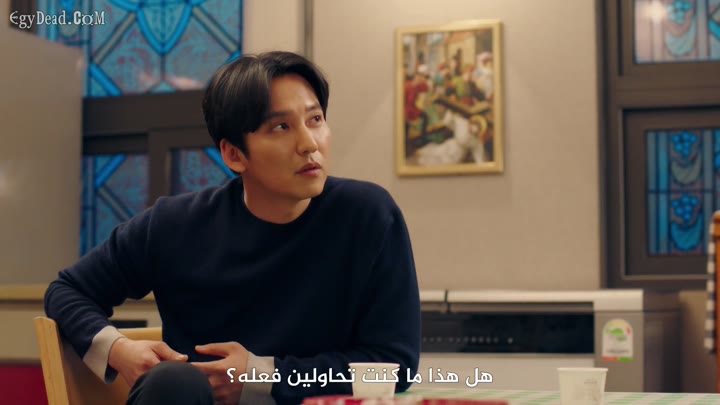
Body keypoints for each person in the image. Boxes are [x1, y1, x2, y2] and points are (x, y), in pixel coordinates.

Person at [44, 51, 421, 405]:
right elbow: (68, 290)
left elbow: (395, 368)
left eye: (315, 119)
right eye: (281, 126)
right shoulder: (176, 225)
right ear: (234, 154)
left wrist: (264, 376)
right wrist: (119, 350)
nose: (309, 144)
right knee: (173, 382)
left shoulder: (367, 215)